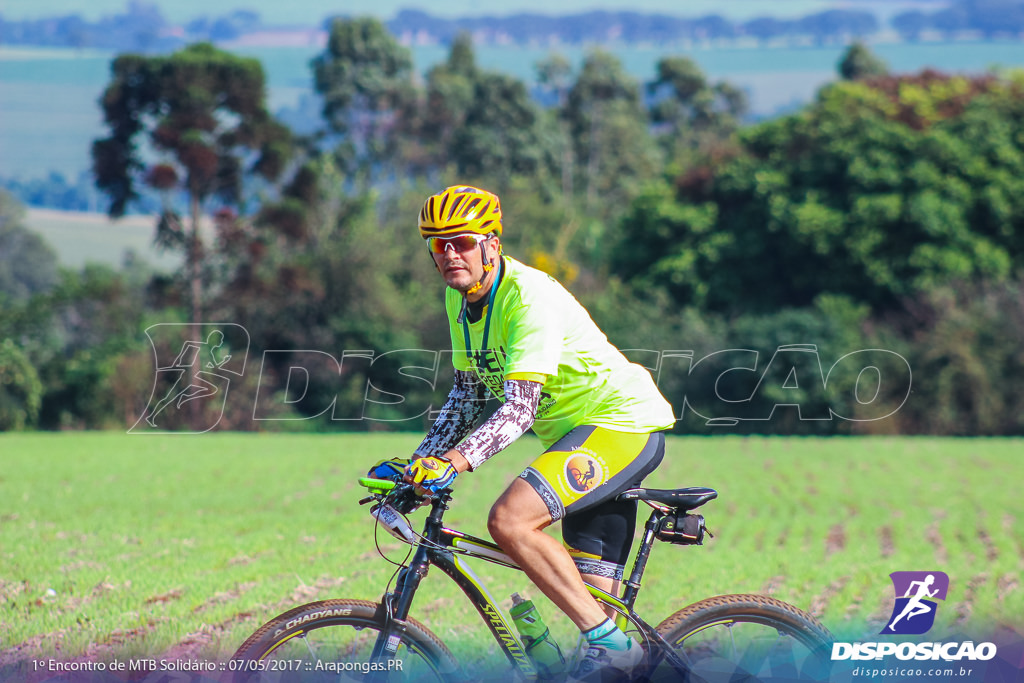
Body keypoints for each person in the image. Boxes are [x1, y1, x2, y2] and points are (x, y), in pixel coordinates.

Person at [368, 185, 676, 682]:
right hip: (574, 439)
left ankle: (617, 648)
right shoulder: (460, 300)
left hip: (620, 423)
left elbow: (518, 409)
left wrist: (450, 464)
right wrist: (415, 465)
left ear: (492, 243)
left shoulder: (527, 297)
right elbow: (468, 398)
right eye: (438, 244)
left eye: (462, 241)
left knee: (510, 520)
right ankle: (620, 656)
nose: (450, 254)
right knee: (595, 632)